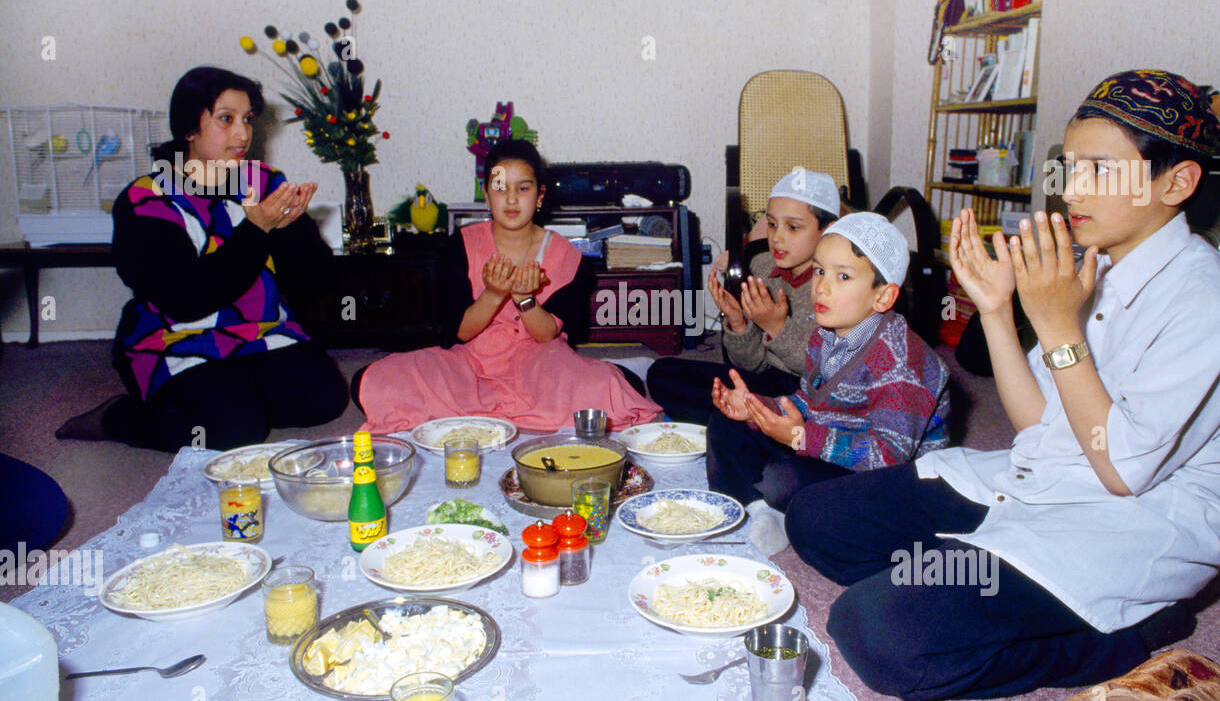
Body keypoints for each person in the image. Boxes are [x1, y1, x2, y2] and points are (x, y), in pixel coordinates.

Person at [786, 69, 1220, 701]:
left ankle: (1127, 632)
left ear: (1178, 182)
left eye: (1100, 170)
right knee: (813, 520)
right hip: (1044, 477)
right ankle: (967, 573)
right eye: (1070, 166)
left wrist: (1055, 325)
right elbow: (1035, 425)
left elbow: (1124, 472)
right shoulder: (1094, 267)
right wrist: (997, 312)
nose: (1072, 189)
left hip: (1134, 522)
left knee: (874, 629)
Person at [56, 66, 348, 452]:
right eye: (226, 120)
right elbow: (185, 299)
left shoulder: (266, 182)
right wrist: (255, 230)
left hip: (259, 334)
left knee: (325, 399)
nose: (243, 134)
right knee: (234, 431)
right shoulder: (146, 199)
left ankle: (230, 395)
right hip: (175, 339)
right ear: (189, 128)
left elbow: (312, 280)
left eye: (247, 120)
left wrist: (292, 229)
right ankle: (118, 417)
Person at [355, 139, 661, 433]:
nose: (512, 199)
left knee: (608, 389)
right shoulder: (460, 245)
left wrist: (525, 299)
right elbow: (460, 331)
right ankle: (513, 408)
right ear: (487, 196)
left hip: (537, 363)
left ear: (540, 196)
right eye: (500, 188)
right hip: (468, 364)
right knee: (372, 381)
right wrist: (494, 294)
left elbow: (546, 335)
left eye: (523, 188)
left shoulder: (568, 257)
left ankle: (483, 412)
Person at [706, 213, 950, 538]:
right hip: (833, 442)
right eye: (820, 271)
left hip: (897, 477)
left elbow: (889, 457)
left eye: (843, 277)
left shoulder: (901, 361)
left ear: (884, 296)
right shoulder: (824, 336)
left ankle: (780, 507)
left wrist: (803, 438)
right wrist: (757, 407)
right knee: (725, 425)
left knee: (785, 477)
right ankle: (758, 509)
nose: (821, 287)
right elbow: (808, 403)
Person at [646, 168, 839, 424]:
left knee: (823, 412)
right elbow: (751, 367)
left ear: (827, 231)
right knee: (663, 373)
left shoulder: (836, 283)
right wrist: (739, 323)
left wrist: (777, 327)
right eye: (771, 224)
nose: (777, 237)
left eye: (793, 227)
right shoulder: (762, 267)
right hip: (764, 384)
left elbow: (827, 370)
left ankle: (751, 424)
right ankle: (749, 422)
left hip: (810, 391)